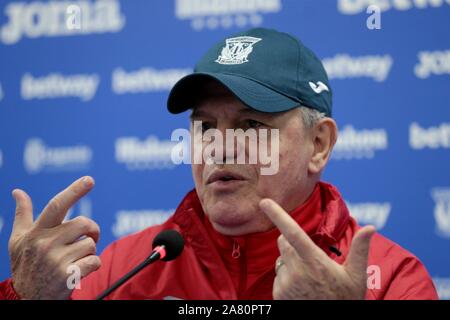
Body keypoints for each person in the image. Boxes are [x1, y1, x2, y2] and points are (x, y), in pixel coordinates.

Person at [0, 28, 438, 300]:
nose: (220, 148)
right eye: (206, 126)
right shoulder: (126, 268)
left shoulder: (392, 279)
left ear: (319, 144)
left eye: (250, 123)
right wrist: (26, 297)